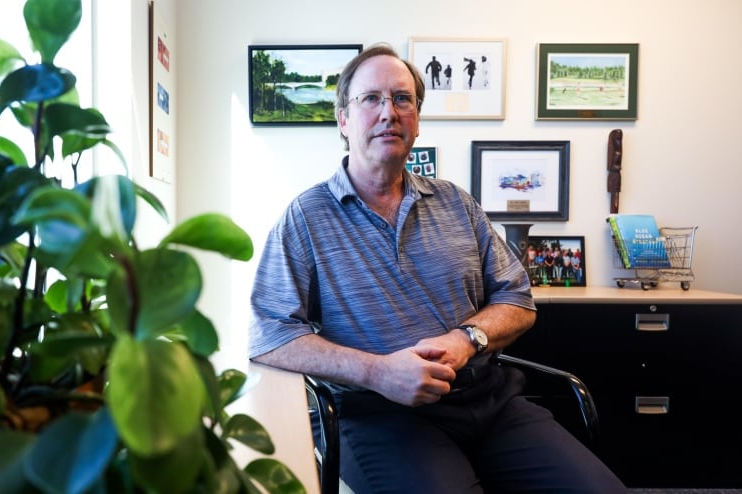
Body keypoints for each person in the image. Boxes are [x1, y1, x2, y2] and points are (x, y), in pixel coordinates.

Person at [248, 42, 626, 494]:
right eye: (371, 99)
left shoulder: (456, 202)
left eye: (402, 98)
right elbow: (270, 335)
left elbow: (517, 298)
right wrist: (378, 372)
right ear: (343, 120)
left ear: (417, 119)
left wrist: (466, 340)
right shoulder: (306, 218)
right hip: (381, 417)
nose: (389, 111)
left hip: (491, 402)